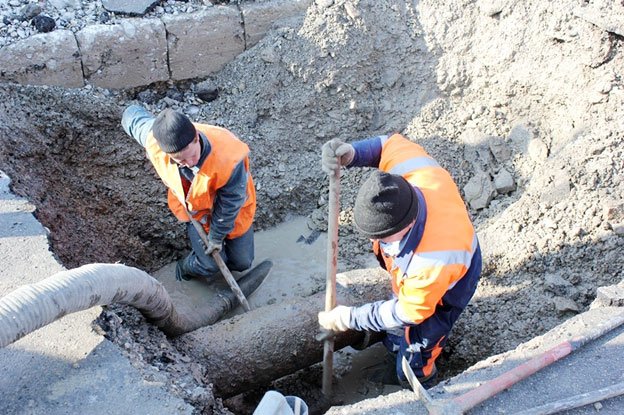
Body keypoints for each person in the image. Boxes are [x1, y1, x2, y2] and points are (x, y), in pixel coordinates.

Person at [318, 133, 482, 389]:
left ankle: (422, 380)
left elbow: (409, 312)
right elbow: (386, 145)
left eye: (384, 238)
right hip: (432, 254)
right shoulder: (410, 171)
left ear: (407, 224)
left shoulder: (432, 261)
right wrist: (352, 153)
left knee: (419, 346)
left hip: (451, 282)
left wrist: (349, 318)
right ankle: (396, 349)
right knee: (395, 326)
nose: (379, 242)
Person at [122, 105, 256, 282]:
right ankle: (186, 267)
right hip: (197, 214)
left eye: (192, 155)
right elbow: (135, 119)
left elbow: (230, 202)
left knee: (242, 262)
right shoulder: (156, 142)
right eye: (180, 160)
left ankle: (225, 269)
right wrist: (124, 112)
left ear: (197, 138)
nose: (189, 163)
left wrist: (216, 237)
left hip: (232, 211)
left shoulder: (228, 157)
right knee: (211, 265)